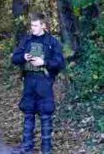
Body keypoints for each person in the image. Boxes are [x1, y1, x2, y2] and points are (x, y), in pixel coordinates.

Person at [11, 13, 65, 154]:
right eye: (31, 25)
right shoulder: (26, 40)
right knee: (28, 113)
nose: (33, 28)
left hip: (44, 82)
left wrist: (44, 62)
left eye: (35, 25)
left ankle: (46, 149)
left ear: (43, 25)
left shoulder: (52, 42)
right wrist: (23, 57)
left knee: (45, 114)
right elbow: (14, 58)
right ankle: (26, 146)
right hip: (29, 80)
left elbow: (60, 63)